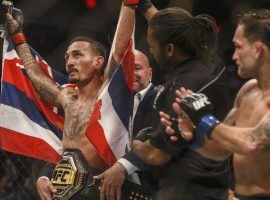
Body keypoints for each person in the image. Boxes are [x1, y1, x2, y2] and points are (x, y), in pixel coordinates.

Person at [6, 1, 136, 199]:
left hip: (98, 182)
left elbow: (120, 48)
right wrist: (18, 37)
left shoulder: (107, 94)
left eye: (77, 55)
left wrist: (130, 4)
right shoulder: (67, 95)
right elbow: (35, 76)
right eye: (67, 57)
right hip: (64, 182)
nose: (69, 62)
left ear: (98, 62)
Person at [160, 9, 270, 200]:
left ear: (258, 50)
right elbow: (222, 148)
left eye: (238, 47)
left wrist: (204, 118)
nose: (234, 56)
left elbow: (254, 142)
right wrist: (193, 135)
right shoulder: (247, 92)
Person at [132, 4, 231, 200]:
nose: (151, 50)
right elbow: (173, 28)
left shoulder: (180, 90)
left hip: (185, 191)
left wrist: (135, 143)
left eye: (152, 45)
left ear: (169, 49)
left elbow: (157, 155)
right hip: (213, 184)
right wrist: (146, 7)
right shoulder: (210, 62)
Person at [94, 49, 160, 200]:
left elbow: (156, 139)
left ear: (150, 73)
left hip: (153, 189)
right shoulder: (112, 103)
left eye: (137, 68)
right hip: (116, 191)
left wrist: (122, 166)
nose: (131, 73)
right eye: (126, 69)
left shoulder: (160, 97)